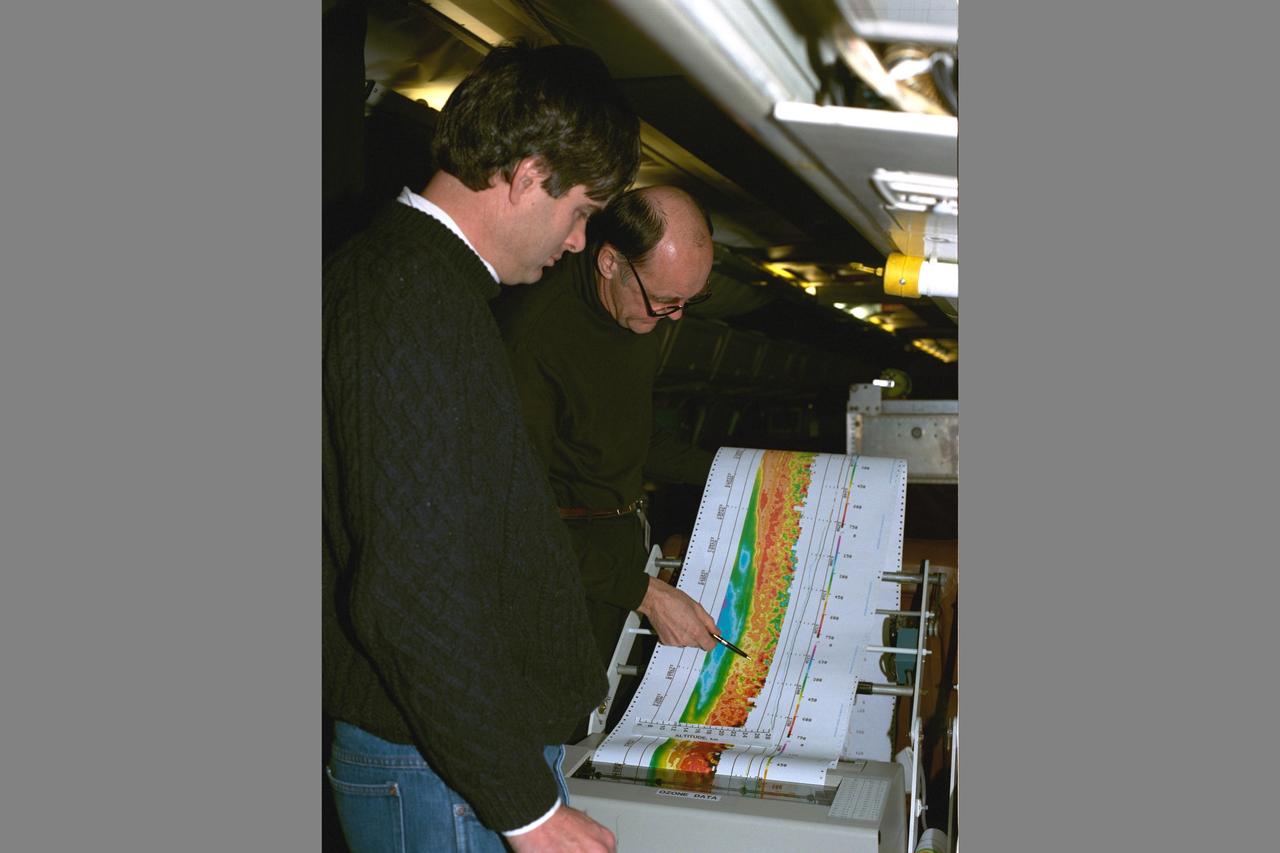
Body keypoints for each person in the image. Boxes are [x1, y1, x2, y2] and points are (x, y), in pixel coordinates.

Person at [323, 41, 640, 853]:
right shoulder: (409, 297)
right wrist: (525, 805)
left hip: (450, 760)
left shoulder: (420, 284)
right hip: (440, 770)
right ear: (529, 175)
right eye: (578, 212)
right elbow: (406, 589)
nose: (576, 243)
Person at [492, 186, 721, 670]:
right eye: (665, 300)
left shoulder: (637, 312)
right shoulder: (532, 340)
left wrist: (743, 470)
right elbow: (514, 514)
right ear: (610, 262)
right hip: (560, 569)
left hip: (619, 547)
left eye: (687, 301)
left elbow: (626, 441)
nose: (673, 317)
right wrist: (647, 596)